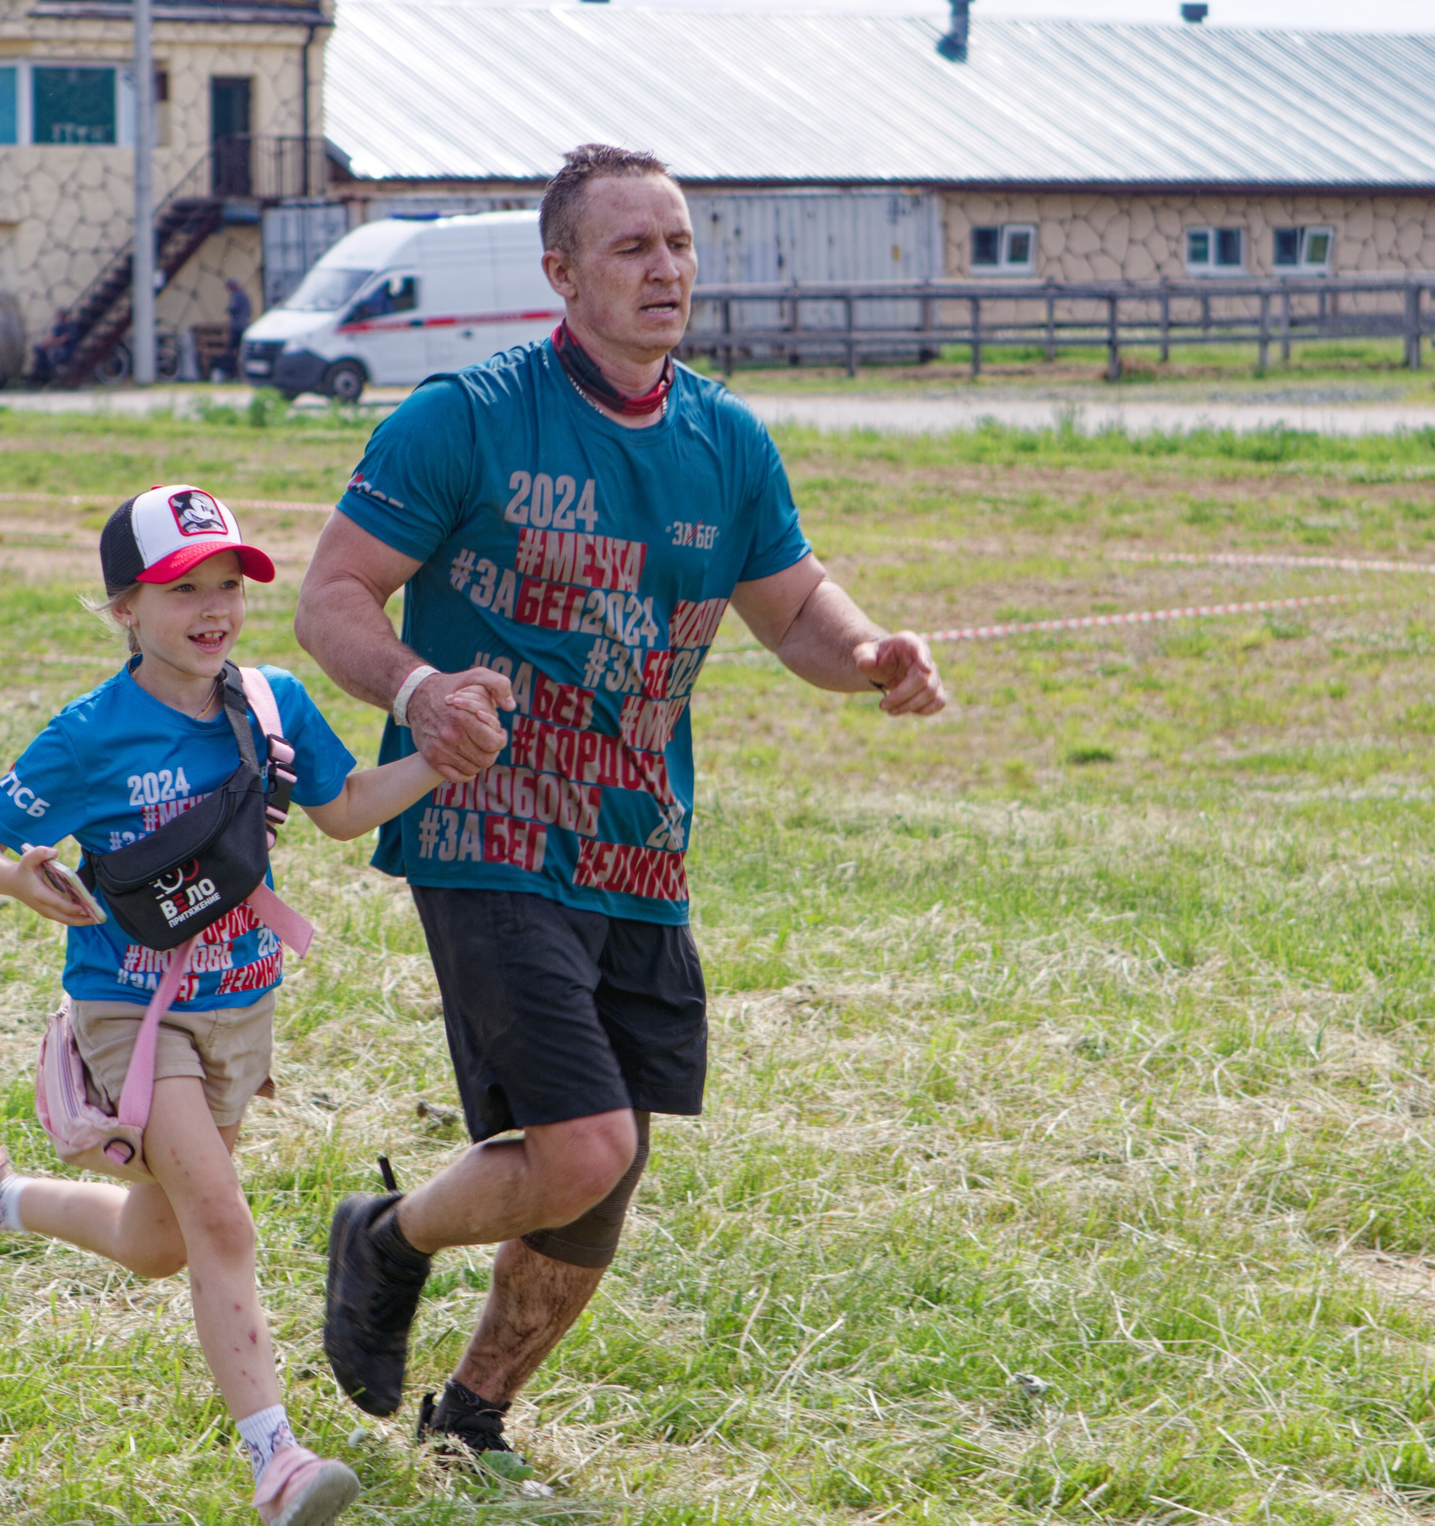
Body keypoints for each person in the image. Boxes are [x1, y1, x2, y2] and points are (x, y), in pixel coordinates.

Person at [293, 143, 949, 1474]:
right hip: (489, 826)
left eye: (680, 244)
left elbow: (797, 609)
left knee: (603, 1165)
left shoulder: (725, 439)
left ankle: (470, 1414)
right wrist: (421, 690)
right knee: (586, 1140)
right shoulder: (463, 418)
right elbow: (331, 597)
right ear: (562, 271)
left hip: (638, 843)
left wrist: (872, 652)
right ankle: (387, 1238)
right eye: (632, 247)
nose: (666, 269)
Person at [0, 484, 486, 1526]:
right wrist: (15, 877)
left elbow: (343, 811)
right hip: (131, 1008)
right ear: (125, 608)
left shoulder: (272, 704)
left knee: (160, 1241)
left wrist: (439, 757)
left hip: (242, 1006)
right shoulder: (90, 735)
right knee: (221, 1221)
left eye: (226, 586)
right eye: (180, 591)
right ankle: (277, 1461)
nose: (212, 610)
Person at [226, 277, 254, 380]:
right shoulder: (244, 295)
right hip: (245, 325)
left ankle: (233, 374)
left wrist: (228, 310)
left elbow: (233, 308)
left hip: (237, 327)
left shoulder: (236, 295)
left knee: (232, 351)